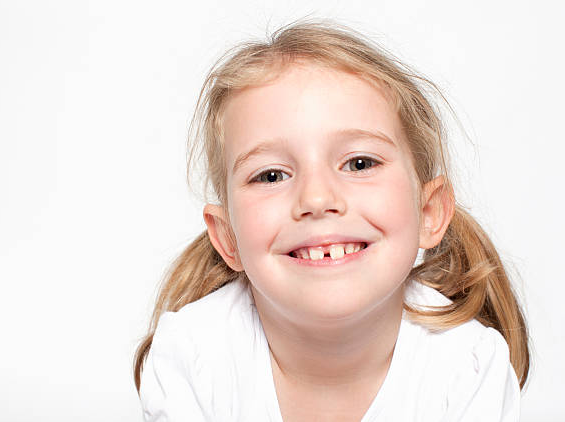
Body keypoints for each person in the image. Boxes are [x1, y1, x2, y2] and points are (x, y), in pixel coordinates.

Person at [134, 18, 530, 421]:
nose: (317, 198)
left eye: (359, 163)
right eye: (271, 175)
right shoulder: (192, 358)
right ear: (228, 237)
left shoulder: (467, 369)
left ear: (428, 212)